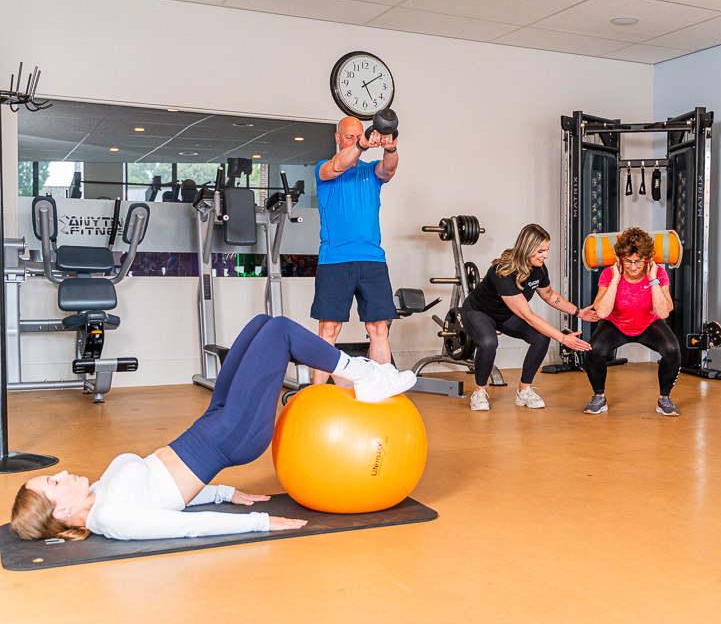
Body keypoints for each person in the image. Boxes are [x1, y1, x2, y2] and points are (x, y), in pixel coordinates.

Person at [10, 315, 417, 542]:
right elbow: (185, 525)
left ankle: (357, 372)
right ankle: (365, 375)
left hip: (213, 422)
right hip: (231, 436)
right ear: (61, 512)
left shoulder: (99, 495)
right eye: (54, 482)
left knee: (260, 324)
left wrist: (223, 493)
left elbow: (165, 493)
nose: (63, 473)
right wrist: (261, 522)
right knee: (279, 333)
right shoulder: (113, 518)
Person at [461, 224, 599, 411]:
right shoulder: (504, 272)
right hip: (478, 312)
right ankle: (479, 392)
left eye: (547, 250)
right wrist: (563, 338)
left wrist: (578, 312)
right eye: (541, 251)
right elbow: (528, 317)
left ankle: (523, 391)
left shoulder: (538, 269)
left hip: (505, 314)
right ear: (527, 249)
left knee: (541, 338)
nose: (546, 256)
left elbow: (549, 295)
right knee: (488, 342)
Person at [311, 113, 400, 386]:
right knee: (329, 329)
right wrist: (361, 145)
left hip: (372, 260)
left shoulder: (370, 171)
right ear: (338, 138)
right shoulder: (324, 169)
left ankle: (382, 391)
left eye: (358, 136)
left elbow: (388, 170)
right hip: (335, 261)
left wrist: (390, 147)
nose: (355, 141)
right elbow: (338, 165)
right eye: (349, 137)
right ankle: (317, 394)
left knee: (379, 328)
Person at [584, 227, 682, 416]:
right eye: (628, 261)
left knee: (672, 349)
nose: (633, 267)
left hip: (648, 323)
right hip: (616, 324)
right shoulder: (609, 273)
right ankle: (599, 397)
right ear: (621, 259)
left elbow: (663, 313)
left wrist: (653, 280)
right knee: (594, 349)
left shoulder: (659, 273)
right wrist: (615, 280)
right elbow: (602, 312)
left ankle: (664, 399)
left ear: (647, 259)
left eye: (638, 261)